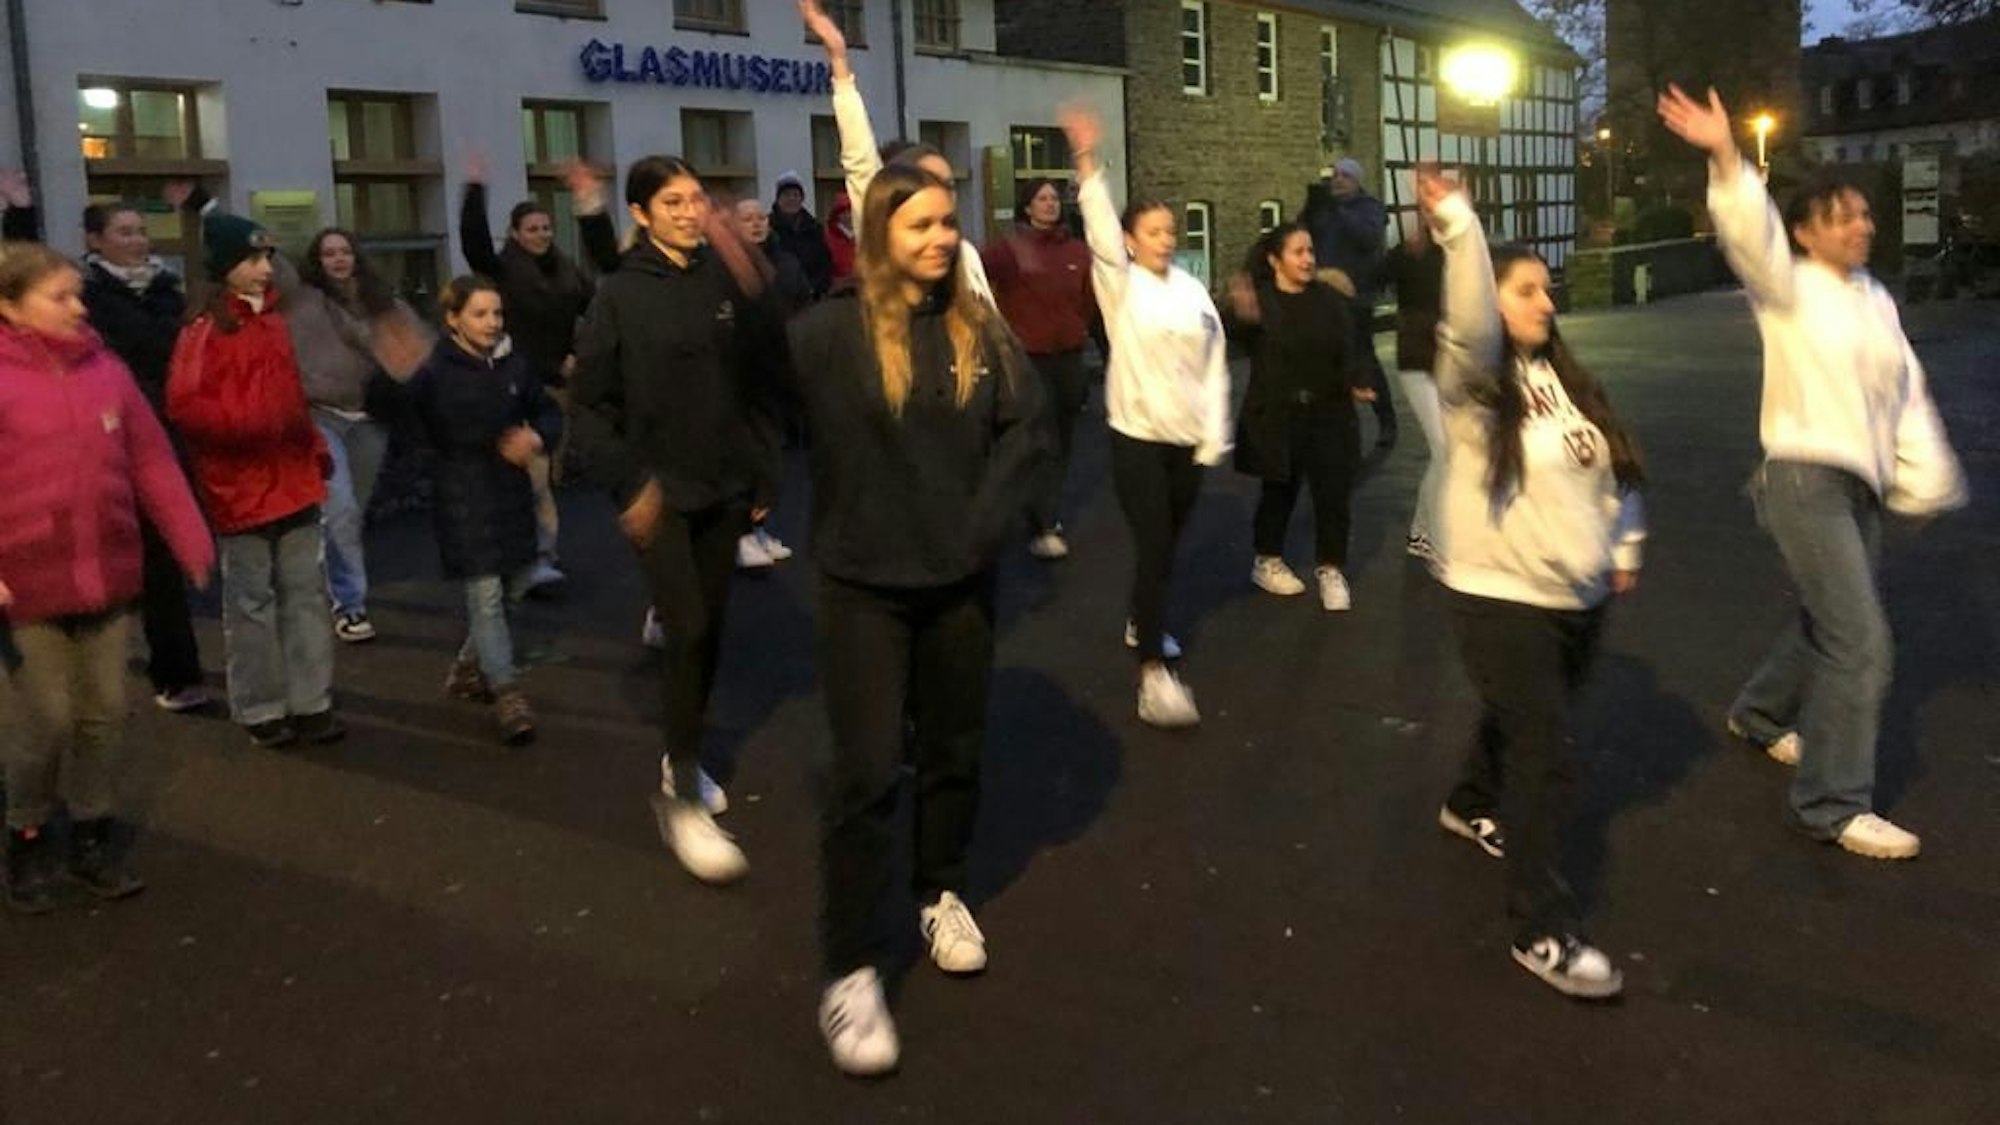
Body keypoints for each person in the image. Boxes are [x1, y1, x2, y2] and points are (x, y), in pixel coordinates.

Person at [1658, 85, 1966, 860]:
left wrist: (1923, 481)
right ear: (1805, 232)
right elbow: (1747, 231)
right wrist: (1726, 154)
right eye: (1843, 215)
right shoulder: (1786, 288)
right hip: (1800, 479)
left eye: (1865, 213)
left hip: (1855, 484)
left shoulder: (1874, 298)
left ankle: (1760, 716)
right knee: (1861, 639)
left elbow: (1907, 393)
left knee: (1826, 620)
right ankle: (1830, 802)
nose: (1863, 225)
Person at [788, 162, 1047, 1076]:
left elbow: (1028, 430)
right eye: (922, 226)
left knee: (954, 750)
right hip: (861, 586)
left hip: (958, 584)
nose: (941, 239)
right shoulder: (825, 333)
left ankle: (940, 889)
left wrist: (982, 524)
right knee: (863, 775)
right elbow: (767, 417)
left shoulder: (979, 329)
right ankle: (851, 966)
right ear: (879, 235)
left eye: (948, 223)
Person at [1420, 165, 1646, 1000]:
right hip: (1496, 590)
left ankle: (1467, 796)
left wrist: (1625, 543)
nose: (1545, 303)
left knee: (1517, 717)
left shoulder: (1563, 379)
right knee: (1547, 753)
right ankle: (1539, 928)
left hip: (1573, 595)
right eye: (1527, 291)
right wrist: (1457, 224)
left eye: (1548, 291)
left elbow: (1613, 463)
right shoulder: (1476, 387)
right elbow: (1471, 317)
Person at [570, 155, 781, 883]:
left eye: (695, 200)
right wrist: (629, 486)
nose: (690, 213)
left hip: (724, 486)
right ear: (640, 214)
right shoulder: (621, 294)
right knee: (686, 623)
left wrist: (762, 470)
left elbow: (757, 377)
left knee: (711, 627)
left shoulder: (719, 280)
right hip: (658, 491)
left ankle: (681, 745)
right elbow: (590, 405)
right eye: (672, 203)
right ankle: (682, 784)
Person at [0, 241, 214, 913]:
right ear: (10, 306)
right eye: (58, 296)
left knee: (104, 715)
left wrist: (189, 537)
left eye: (76, 292)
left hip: (108, 577)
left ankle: (92, 830)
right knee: (46, 720)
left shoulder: (106, 370)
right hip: (26, 585)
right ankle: (27, 828)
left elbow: (150, 460)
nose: (78, 306)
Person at [1064, 104, 1230, 728]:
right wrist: (1087, 163)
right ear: (1132, 240)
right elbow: (1099, 225)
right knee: (1156, 545)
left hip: (1186, 442)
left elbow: (1214, 365)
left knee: (1168, 545)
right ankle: (1151, 675)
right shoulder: (1120, 282)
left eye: (1171, 230)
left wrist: (1214, 435)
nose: (1166, 239)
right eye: (1153, 231)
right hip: (1135, 437)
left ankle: (1144, 616)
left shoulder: (1192, 290)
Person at [167, 209, 346, 750]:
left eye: (267, 256)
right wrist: (258, 429)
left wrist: (311, 449)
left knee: (305, 595)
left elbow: (293, 398)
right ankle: (261, 704)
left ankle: (310, 700)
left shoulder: (270, 323)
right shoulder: (204, 331)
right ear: (224, 267)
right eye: (252, 258)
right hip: (242, 486)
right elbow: (186, 407)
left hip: (289, 477)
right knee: (252, 603)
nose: (265, 267)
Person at [65, 185, 214, 713]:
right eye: (124, 232)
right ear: (95, 240)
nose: (137, 241)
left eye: (141, 231)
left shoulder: (164, 288)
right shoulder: (87, 298)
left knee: (159, 557)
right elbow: (151, 345)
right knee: (108, 552)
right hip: (107, 438)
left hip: (164, 434)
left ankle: (176, 672)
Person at [411, 276, 565, 746]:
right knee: (487, 597)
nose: (492, 322)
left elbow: (546, 411)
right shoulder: (434, 373)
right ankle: (506, 691)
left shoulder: (515, 364)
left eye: (496, 313)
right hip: (463, 493)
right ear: (453, 318)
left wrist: (537, 436)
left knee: (516, 582)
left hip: (511, 491)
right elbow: (413, 424)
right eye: (479, 314)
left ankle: (465, 667)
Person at [459, 158, 598, 593]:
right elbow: (474, 242)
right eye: (532, 229)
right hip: (510, 386)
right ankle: (537, 557)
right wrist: (475, 188)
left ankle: (523, 553)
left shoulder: (567, 272)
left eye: (545, 228)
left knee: (539, 477)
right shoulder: (502, 270)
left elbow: (594, 312)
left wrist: (577, 353)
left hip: (554, 387)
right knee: (532, 477)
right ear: (516, 234)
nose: (541, 235)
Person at [800, 0, 995, 307]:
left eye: (948, 184)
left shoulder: (964, 254)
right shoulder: (880, 234)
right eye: (927, 180)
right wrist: (840, 66)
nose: (940, 192)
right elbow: (860, 160)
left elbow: (990, 324)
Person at [288, 228, 431, 643]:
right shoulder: (303, 300)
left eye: (345, 251)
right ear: (316, 259)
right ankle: (350, 604)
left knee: (354, 510)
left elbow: (419, 352)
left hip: (369, 417)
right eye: (328, 253)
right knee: (342, 507)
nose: (337, 259)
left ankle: (327, 572)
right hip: (320, 415)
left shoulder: (382, 303)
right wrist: (204, 205)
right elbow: (272, 264)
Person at [1226, 222, 1373, 612]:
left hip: (1330, 410)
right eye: (1298, 252)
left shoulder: (1329, 300)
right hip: (1281, 413)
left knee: (1333, 494)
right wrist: (1240, 314)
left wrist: (1359, 378)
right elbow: (1233, 333)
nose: (1308, 259)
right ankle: (1267, 560)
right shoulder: (1261, 302)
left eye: (1310, 251)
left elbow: (1352, 347)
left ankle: (1330, 568)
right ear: (1276, 260)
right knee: (1280, 490)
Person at [985, 176, 1096, 561]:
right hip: (1028, 357)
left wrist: (1080, 331)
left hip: (1068, 355)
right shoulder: (1008, 249)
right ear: (1027, 207)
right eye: (1042, 198)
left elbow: (1087, 300)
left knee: (1062, 438)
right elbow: (978, 282)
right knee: (1036, 437)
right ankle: (1042, 522)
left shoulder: (1078, 251)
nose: (1050, 204)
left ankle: (1043, 510)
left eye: (1054, 198)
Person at [728, 195, 806, 570]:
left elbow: (801, 302)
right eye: (747, 218)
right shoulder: (726, 266)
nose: (757, 224)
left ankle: (759, 528)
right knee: (749, 459)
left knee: (774, 457)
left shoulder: (785, 261)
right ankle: (741, 533)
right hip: (741, 373)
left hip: (778, 368)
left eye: (761, 217)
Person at [1300, 157, 1397, 446]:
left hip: (1356, 296)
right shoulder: (1325, 208)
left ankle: (1387, 420)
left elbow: (1367, 238)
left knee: (1364, 359)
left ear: (1357, 181)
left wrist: (1338, 210)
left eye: (1345, 176)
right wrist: (1311, 206)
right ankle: (1328, 423)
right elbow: (1301, 236)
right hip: (1322, 295)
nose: (1337, 180)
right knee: (1323, 359)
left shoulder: (1369, 208)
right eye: (1335, 176)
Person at [1383, 212, 1448, 562]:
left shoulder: (1458, 251)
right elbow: (1379, 275)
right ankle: (1424, 533)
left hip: (1451, 361)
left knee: (1453, 451)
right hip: (1418, 359)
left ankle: (1424, 531)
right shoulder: (1411, 253)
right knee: (1446, 450)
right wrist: (1403, 251)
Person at [771, 172, 835, 298]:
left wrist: (815, 287)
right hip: (780, 297)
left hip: (813, 296)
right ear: (778, 199)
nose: (791, 199)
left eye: (796, 195)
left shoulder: (814, 227)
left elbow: (825, 261)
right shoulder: (769, 228)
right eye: (786, 195)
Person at [824, 191, 857, 293]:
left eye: (850, 211)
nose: (848, 216)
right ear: (837, 215)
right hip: (838, 291)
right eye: (843, 212)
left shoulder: (865, 236)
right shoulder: (828, 237)